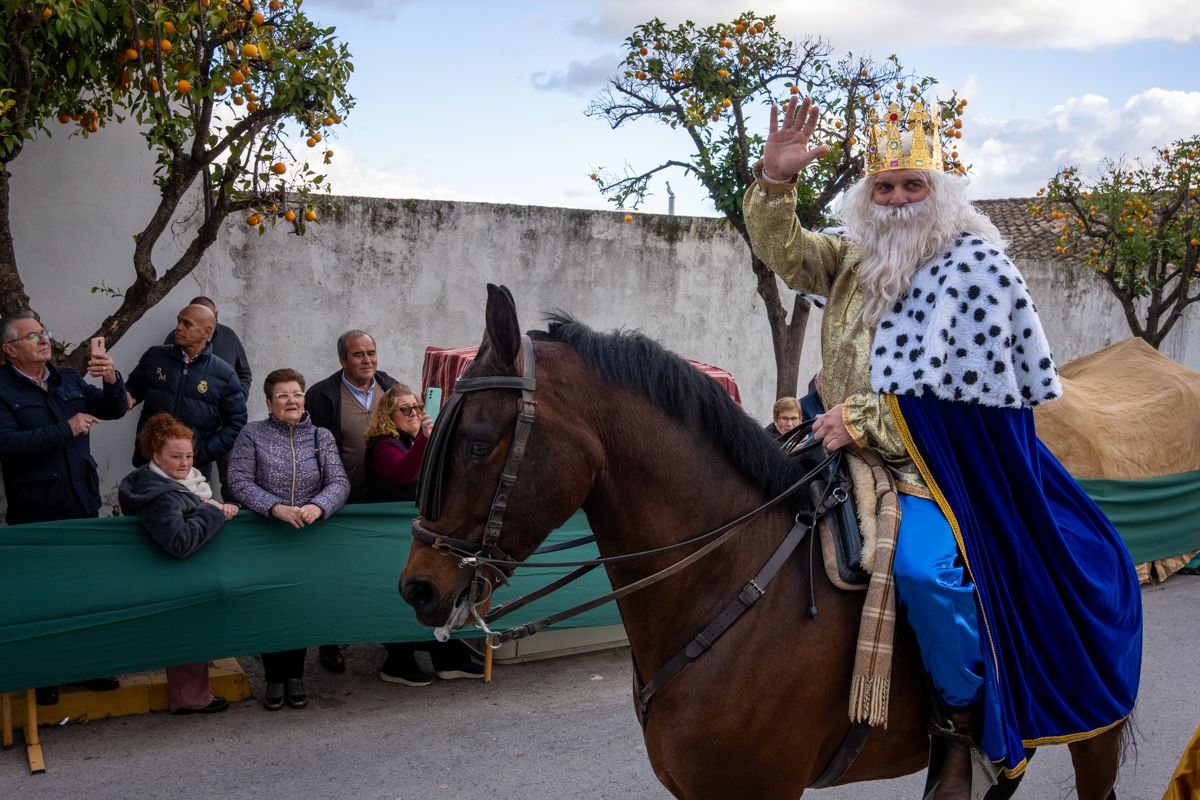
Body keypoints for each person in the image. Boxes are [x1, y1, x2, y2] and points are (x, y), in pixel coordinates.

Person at [744, 97, 1141, 796]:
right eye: (884, 188)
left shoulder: (977, 268)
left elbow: (969, 394)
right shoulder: (852, 259)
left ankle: (959, 732)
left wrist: (862, 420)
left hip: (930, 466)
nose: (897, 200)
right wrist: (776, 182)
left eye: (912, 185)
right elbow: (787, 252)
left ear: (940, 190)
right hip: (831, 447)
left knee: (926, 574)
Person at [0, 309, 127, 704]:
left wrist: (111, 379)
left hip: (81, 501)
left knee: (86, 591)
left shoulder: (66, 379)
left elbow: (114, 409)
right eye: (32, 336)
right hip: (36, 508)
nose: (44, 340)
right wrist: (66, 429)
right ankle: (46, 674)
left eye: (45, 332)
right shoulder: (2, 389)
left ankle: (88, 666)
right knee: (44, 597)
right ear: (9, 349)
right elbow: (7, 446)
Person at [226, 368, 350, 710]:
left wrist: (318, 506)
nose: (291, 400)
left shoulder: (321, 437)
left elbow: (339, 482)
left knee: (300, 606)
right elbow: (238, 480)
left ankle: (295, 676)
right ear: (269, 403)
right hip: (266, 536)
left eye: (296, 394)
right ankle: (274, 678)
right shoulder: (251, 435)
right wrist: (275, 507)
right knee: (272, 607)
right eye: (282, 395)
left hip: (308, 538)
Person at [362, 384, 484, 685]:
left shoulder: (415, 440)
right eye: (405, 409)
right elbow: (400, 473)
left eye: (417, 407)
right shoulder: (382, 444)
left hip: (418, 531)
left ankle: (447, 657)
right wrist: (425, 441)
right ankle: (398, 662)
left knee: (436, 589)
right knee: (403, 597)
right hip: (389, 535)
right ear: (388, 415)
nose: (414, 413)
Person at [118, 413, 239, 715]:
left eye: (189, 455)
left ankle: (192, 695)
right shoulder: (163, 496)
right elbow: (179, 542)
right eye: (176, 457)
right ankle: (190, 699)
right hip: (176, 575)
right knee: (188, 632)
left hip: (175, 574)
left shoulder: (172, 483)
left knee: (189, 632)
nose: (185, 463)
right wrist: (213, 512)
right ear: (156, 456)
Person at [304, 329, 399, 673]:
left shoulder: (391, 388)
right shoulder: (322, 396)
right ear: (343, 359)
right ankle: (330, 642)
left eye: (371, 352)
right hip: (341, 503)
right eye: (358, 354)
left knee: (383, 573)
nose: (367, 360)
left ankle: (389, 642)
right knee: (337, 576)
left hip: (383, 502)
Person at [127, 303, 248, 487]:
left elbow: (237, 422)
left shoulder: (224, 374)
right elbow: (131, 391)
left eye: (187, 324)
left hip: (192, 471)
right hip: (150, 462)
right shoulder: (155, 357)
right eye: (178, 321)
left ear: (206, 331)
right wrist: (114, 384)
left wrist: (203, 451)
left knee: (189, 507)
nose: (178, 327)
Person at [162, 296, 252, 493]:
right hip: (191, 426)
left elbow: (244, 373)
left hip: (223, 422)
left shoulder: (229, 336)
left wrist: (237, 398)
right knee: (193, 477)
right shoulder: (175, 338)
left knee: (230, 473)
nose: (180, 327)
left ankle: (233, 506)